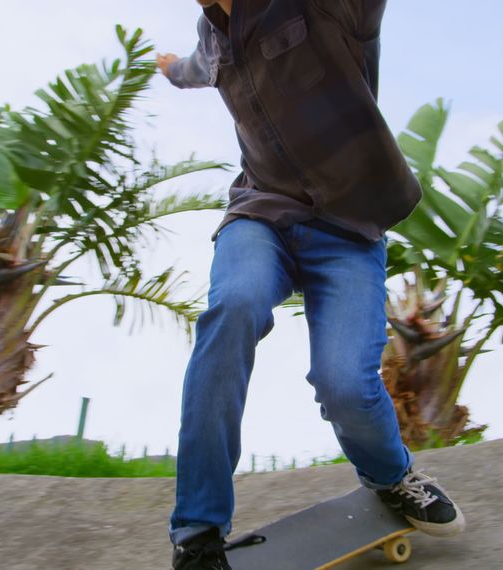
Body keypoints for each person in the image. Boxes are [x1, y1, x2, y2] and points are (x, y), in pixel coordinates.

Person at [157, 1, 464, 568]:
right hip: (259, 217)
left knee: (344, 382)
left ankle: (392, 477)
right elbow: (191, 71)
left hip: (348, 228)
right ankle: (197, 533)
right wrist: (171, 65)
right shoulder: (211, 40)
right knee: (234, 308)